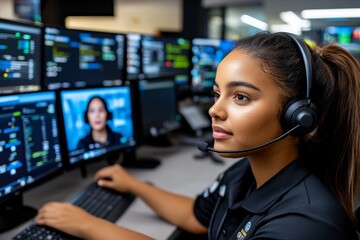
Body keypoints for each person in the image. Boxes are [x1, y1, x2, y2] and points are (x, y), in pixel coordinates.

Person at [35, 32, 360, 239]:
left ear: (298, 117)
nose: (214, 110)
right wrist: (133, 185)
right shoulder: (248, 171)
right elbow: (196, 216)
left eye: (241, 97)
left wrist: (91, 226)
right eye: (217, 94)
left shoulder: (303, 225)